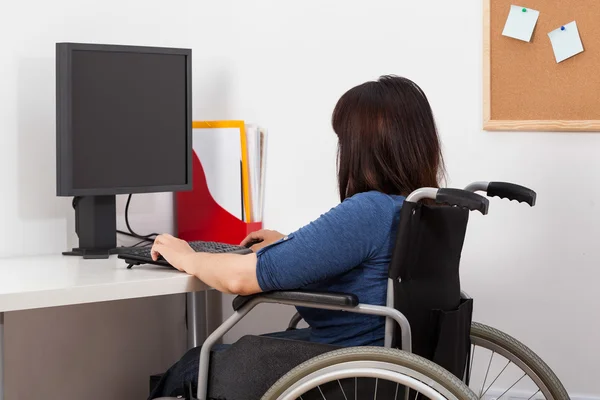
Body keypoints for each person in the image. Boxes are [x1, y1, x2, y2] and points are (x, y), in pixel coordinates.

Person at [148, 75, 445, 398]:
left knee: (192, 366)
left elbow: (239, 280)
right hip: (383, 361)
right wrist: (290, 246)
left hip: (346, 366)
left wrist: (188, 256)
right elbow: (365, 268)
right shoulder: (422, 208)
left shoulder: (370, 210)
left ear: (362, 146)